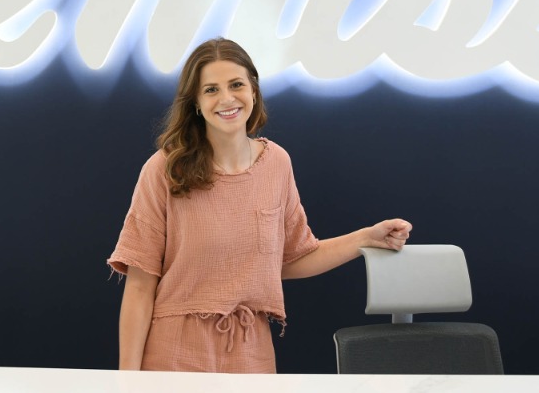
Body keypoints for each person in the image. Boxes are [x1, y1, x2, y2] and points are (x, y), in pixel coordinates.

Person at [108, 37, 412, 373]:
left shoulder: (277, 163)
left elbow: (292, 258)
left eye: (236, 84)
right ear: (195, 102)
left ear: (253, 90)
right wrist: (128, 381)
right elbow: (139, 285)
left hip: (252, 352)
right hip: (175, 353)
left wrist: (366, 238)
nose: (227, 98)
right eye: (211, 89)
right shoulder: (165, 169)